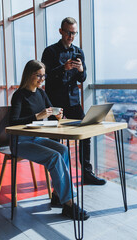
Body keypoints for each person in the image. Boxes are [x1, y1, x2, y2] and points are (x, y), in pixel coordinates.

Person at [10, 59, 89, 220]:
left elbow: (52, 111)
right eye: (38, 75)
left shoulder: (41, 93)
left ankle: (57, 195)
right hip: (20, 142)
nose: (41, 79)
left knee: (63, 150)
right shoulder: (19, 95)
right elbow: (13, 122)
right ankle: (68, 203)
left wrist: (57, 114)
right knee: (54, 157)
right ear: (28, 75)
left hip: (37, 138)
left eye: (43, 76)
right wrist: (37, 116)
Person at [41, 17, 106, 185]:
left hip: (73, 101)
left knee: (86, 133)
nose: (71, 36)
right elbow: (45, 77)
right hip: (55, 103)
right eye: (69, 32)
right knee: (55, 142)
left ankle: (86, 173)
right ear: (61, 31)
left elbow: (82, 78)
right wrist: (63, 68)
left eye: (74, 33)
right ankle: (57, 182)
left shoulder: (78, 52)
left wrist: (81, 69)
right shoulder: (50, 51)